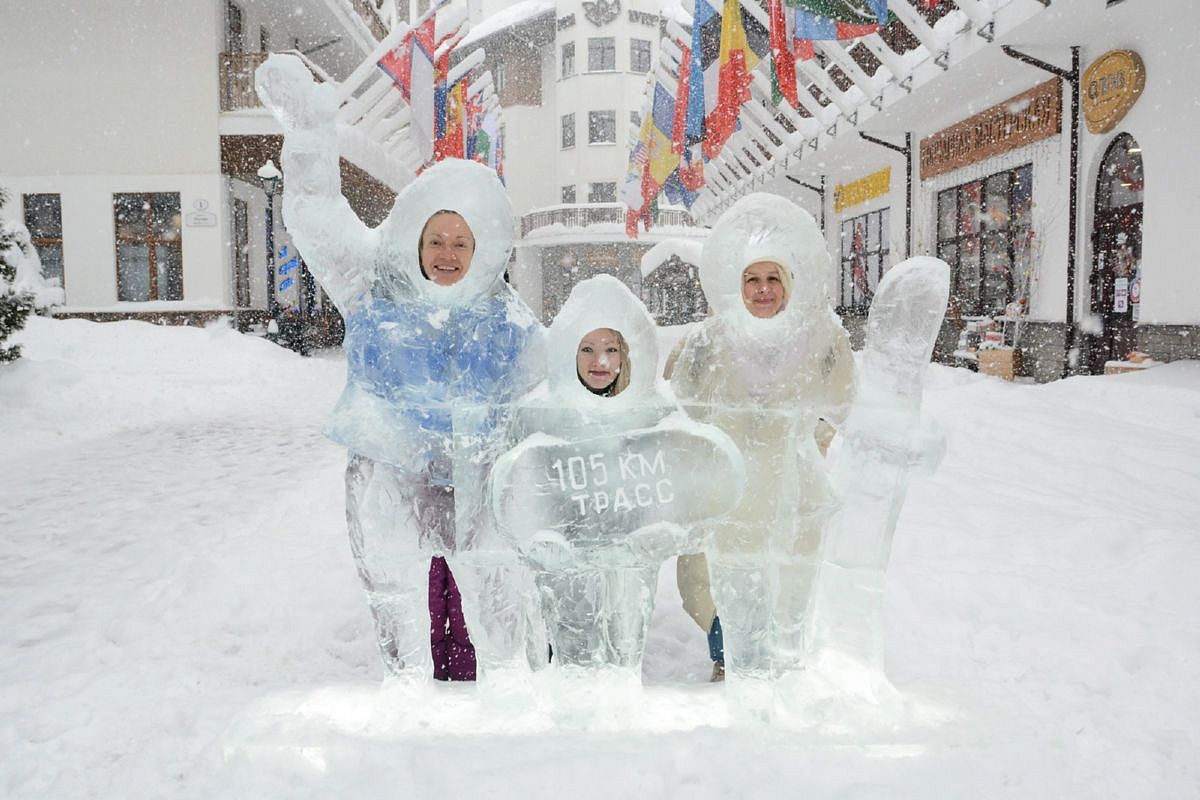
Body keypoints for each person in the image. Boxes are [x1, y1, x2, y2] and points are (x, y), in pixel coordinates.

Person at [255, 54, 543, 683]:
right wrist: (308, 133)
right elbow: (315, 217)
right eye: (436, 240)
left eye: (460, 242)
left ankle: (497, 692)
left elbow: (552, 398)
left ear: (481, 247)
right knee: (406, 594)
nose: (446, 254)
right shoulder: (373, 286)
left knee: (491, 598)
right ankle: (414, 693)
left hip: (480, 482)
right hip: (395, 480)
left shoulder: (510, 318)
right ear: (414, 239)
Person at [667, 193, 855, 689]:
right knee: (718, 578)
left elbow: (842, 400)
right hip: (732, 488)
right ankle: (732, 657)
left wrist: (813, 442)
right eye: (753, 279)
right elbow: (681, 403)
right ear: (737, 284)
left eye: (774, 278)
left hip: (794, 487)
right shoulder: (710, 339)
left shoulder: (821, 338)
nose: (764, 289)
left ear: (791, 284)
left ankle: (784, 669)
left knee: (788, 581)